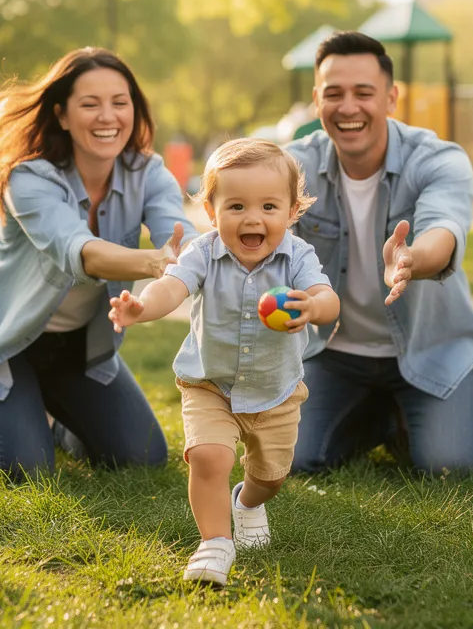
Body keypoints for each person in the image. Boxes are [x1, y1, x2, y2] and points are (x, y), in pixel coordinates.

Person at [0, 48, 193, 476]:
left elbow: (179, 235)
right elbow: (80, 251)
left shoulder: (148, 172)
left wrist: (196, 256)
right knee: (26, 469)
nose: (108, 116)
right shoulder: (29, 179)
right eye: (90, 104)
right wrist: (155, 263)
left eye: (120, 103)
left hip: (72, 349)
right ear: (61, 115)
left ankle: (56, 425)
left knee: (142, 457)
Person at [285, 31, 473, 478]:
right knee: (291, 460)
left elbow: (443, 230)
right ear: (317, 101)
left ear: (392, 98)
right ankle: (386, 416)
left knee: (450, 468)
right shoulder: (291, 167)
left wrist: (411, 259)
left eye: (364, 93)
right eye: (334, 94)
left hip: (429, 348)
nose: (349, 107)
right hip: (334, 352)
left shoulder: (438, 159)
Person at [108, 138, 340, 586]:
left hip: (276, 391)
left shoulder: (298, 257)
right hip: (210, 385)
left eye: (269, 207)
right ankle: (215, 543)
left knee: (271, 476)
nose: (252, 218)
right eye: (235, 206)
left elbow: (327, 298)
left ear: (292, 212)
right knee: (209, 459)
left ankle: (248, 503)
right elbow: (171, 287)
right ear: (211, 212)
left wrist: (313, 308)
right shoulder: (202, 252)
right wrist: (142, 308)